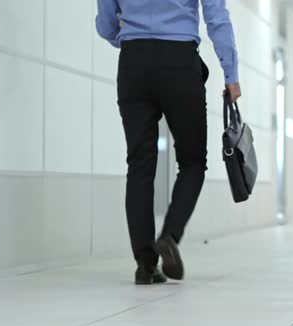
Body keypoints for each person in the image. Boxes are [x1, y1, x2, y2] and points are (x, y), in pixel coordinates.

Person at [96, 0, 242, 285]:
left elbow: (105, 23)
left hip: (133, 62)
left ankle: (144, 265)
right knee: (192, 161)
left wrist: (127, 38)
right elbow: (217, 18)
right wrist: (231, 73)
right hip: (179, 60)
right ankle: (169, 236)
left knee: (139, 166)